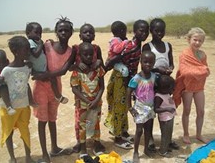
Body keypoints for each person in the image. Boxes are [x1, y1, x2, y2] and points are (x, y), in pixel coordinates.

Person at [31, 17, 75, 163]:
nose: (63, 32)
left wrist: (46, 75)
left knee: (52, 119)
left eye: (66, 30)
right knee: (43, 120)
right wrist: (37, 74)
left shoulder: (71, 51)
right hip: (41, 87)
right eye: (60, 30)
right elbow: (35, 59)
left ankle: (54, 148)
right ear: (56, 32)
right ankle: (44, 154)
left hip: (55, 87)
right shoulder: (47, 45)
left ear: (71, 32)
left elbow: (63, 71)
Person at [104, 20, 149, 150]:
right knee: (119, 107)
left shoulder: (137, 45)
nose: (144, 33)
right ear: (134, 31)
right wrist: (104, 68)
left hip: (129, 80)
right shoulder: (130, 45)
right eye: (141, 30)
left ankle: (123, 132)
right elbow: (112, 61)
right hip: (120, 80)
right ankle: (117, 137)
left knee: (124, 107)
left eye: (146, 31)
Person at [0, 36, 34, 163]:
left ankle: (28, 157)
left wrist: (32, 101)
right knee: (9, 132)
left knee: (25, 131)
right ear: (16, 51)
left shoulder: (27, 68)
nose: (28, 52)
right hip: (9, 109)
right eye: (26, 50)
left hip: (23, 106)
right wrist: (9, 106)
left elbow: (26, 84)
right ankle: (12, 158)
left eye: (29, 49)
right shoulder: (7, 71)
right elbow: (2, 89)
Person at [142, 18, 175, 152]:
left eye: (162, 31)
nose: (159, 33)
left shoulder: (168, 46)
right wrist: (158, 70)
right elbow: (145, 66)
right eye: (156, 31)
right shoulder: (147, 47)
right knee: (150, 112)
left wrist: (170, 69)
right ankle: (149, 139)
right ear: (151, 31)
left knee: (165, 112)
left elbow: (171, 62)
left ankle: (166, 140)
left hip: (165, 85)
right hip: (151, 83)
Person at [71, 23, 105, 153]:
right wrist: (77, 65)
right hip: (82, 101)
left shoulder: (97, 50)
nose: (88, 35)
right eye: (85, 32)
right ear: (80, 35)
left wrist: (99, 63)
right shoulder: (75, 49)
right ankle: (81, 145)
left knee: (95, 122)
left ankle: (96, 143)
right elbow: (69, 67)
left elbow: (102, 84)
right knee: (81, 123)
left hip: (96, 100)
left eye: (91, 33)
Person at [173, 27, 210, 144]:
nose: (197, 43)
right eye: (195, 40)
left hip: (199, 86)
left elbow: (207, 71)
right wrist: (201, 71)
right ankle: (186, 134)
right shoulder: (184, 54)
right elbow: (185, 72)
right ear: (189, 39)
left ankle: (199, 134)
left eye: (200, 41)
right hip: (187, 86)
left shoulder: (203, 55)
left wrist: (201, 71)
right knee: (187, 110)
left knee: (201, 111)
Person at [26, 22, 68, 104]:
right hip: (37, 69)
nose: (39, 35)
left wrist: (47, 43)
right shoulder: (30, 42)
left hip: (42, 68)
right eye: (36, 32)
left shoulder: (36, 42)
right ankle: (58, 96)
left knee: (52, 78)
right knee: (52, 78)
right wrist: (41, 44)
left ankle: (57, 95)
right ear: (28, 33)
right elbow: (36, 54)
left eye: (40, 33)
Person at [127, 51, 156, 162]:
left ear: (154, 63)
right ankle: (135, 152)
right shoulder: (136, 78)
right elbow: (129, 92)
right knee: (139, 131)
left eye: (151, 62)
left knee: (148, 130)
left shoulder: (153, 77)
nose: (148, 64)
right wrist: (130, 107)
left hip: (150, 108)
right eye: (145, 62)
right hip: (139, 108)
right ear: (141, 62)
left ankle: (146, 149)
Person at [154, 75, 178, 158]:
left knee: (169, 133)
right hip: (165, 119)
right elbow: (156, 109)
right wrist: (167, 109)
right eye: (171, 88)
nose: (172, 90)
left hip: (170, 117)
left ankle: (168, 145)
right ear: (164, 88)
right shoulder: (158, 97)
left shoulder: (165, 93)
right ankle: (163, 151)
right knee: (165, 135)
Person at [0, 49, 16, 115]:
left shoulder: (9, 67)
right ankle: (9, 107)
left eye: (4, 62)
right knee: (3, 87)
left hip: (11, 88)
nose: (2, 65)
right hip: (1, 91)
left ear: (7, 61)